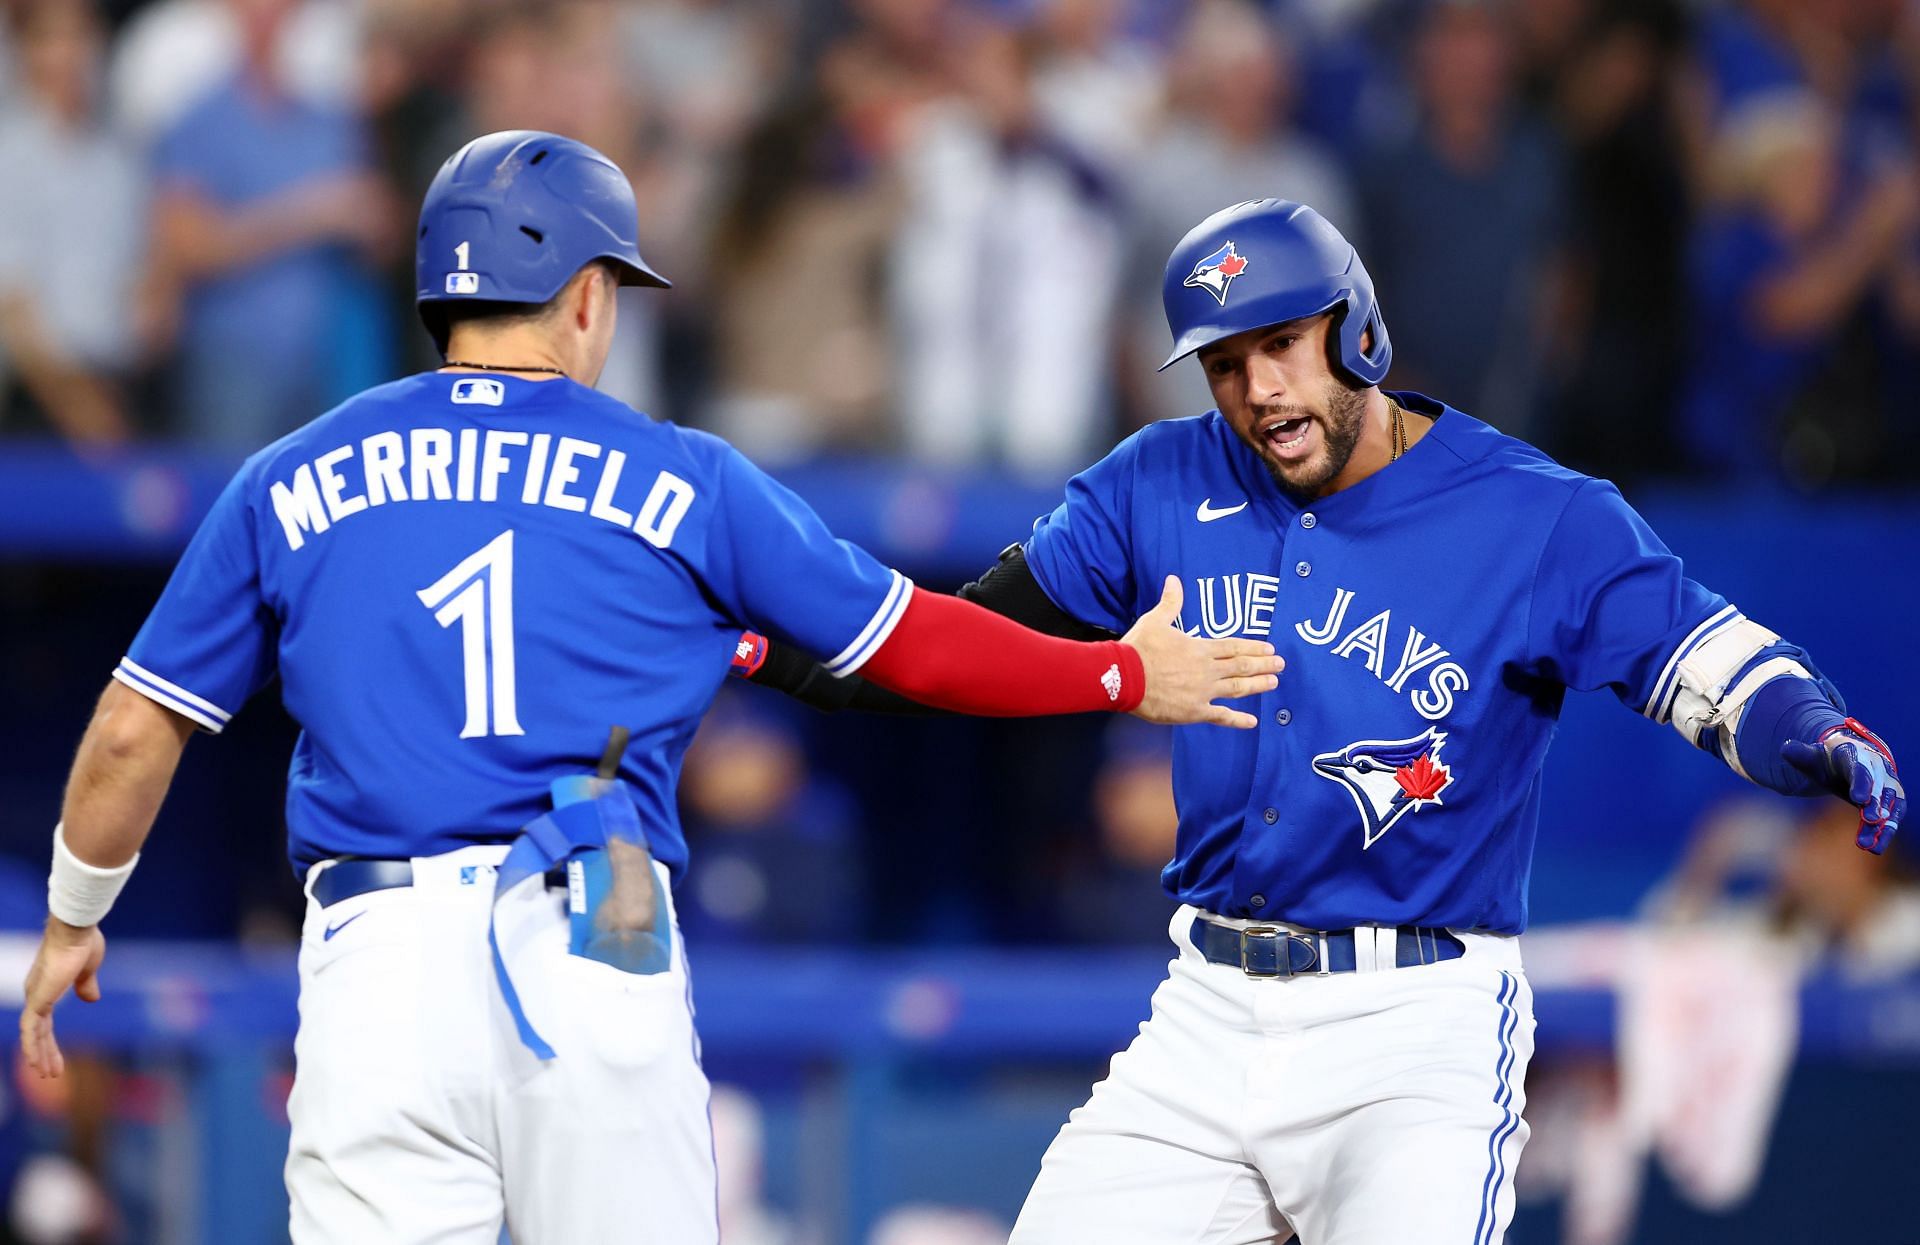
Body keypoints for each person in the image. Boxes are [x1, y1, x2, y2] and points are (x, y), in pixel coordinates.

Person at [14, 131, 1283, 1245]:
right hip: (591, 914)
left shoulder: (291, 473)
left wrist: (74, 917)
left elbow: (133, 734)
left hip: (375, 951)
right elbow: (920, 646)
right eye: (610, 287)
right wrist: (1120, 672)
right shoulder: (681, 474)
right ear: (578, 294)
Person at [738, 198, 1906, 1243]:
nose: (1259, 391)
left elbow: (1696, 654)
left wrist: (1808, 725)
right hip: (1207, 1008)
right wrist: (752, 644)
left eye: (1283, 346)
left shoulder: (1535, 516)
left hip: (1415, 1025)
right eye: (1226, 364)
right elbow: (960, 639)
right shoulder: (1157, 481)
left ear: (1358, 333)